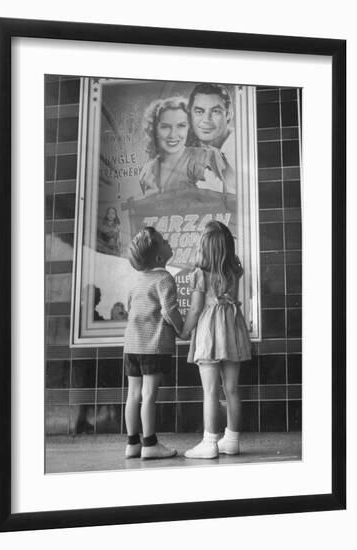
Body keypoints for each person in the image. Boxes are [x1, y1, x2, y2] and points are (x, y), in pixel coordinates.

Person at [180, 221, 251, 458]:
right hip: (232, 328)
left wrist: (184, 330)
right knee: (231, 388)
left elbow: (196, 309)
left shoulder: (200, 274)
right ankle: (232, 439)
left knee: (210, 390)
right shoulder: (234, 270)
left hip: (210, 332)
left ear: (204, 247)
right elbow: (234, 300)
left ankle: (209, 442)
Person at [123, 227, 183, 459]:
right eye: (164, 240)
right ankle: (150, 444)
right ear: (159, 257)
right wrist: (182, 330)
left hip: (131, 346)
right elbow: (169, 311)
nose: (168, 241)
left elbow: (131, 309)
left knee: (133, 395)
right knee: (149, 395)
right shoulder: (164, 278)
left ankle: (132, 443)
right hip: (153, 346)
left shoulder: (137, 281)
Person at [139, 96, 225, 196]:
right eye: (165, 127)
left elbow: (219, 204)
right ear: (154, 129)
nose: (173, 135)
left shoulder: (203, 158)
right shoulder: (147, 171)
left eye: (181, 126)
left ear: (190, 128)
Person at [187, 83, 236, 194]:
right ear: (190, 115)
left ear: (228, 115)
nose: (206, 120)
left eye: (215, 111)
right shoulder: (191, 146)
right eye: (199, 112)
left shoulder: (239, 150)